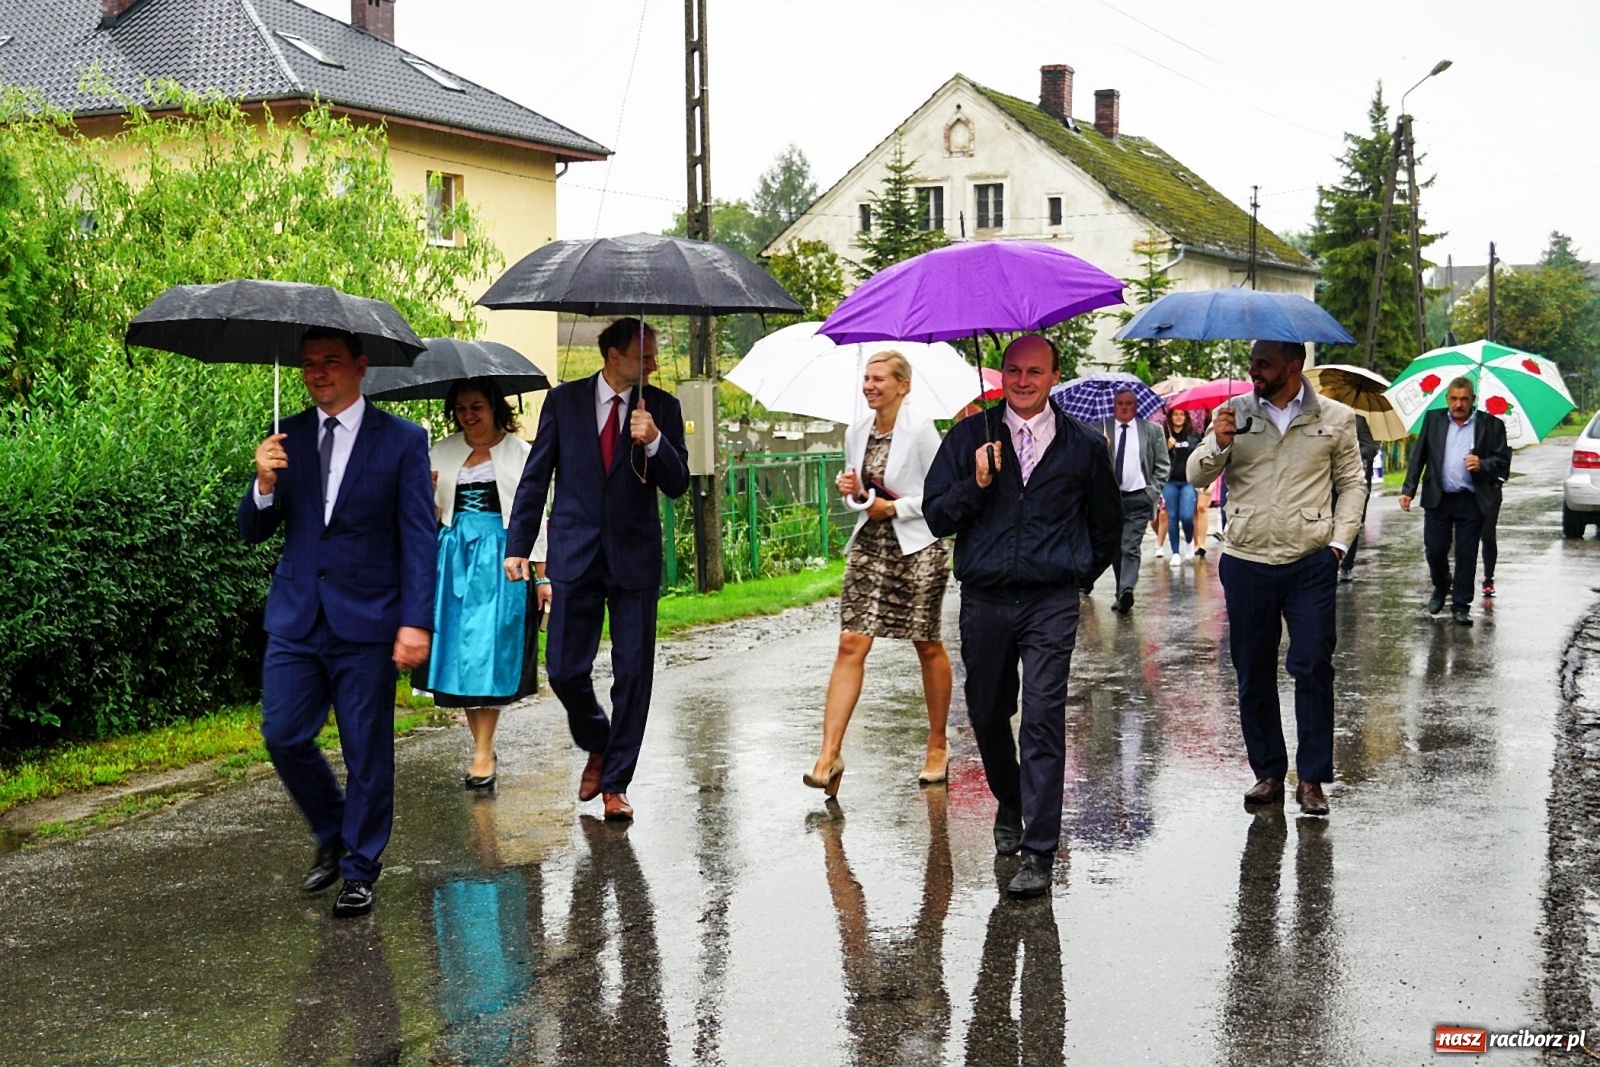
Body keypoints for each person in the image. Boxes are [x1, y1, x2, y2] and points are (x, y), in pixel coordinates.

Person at [240, 326, 436, 918]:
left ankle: (359, 869)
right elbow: (252, 531)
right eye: (307, 365)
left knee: (366, 750)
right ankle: (332, 829)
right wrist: (263, 483)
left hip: (369, 620)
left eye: (329, 362)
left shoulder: (402, 440)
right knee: (282, 734)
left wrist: (415, 621)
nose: (317, 373)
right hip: (297, 618)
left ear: (360, 366)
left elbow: (418, 538)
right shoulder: (286, 437)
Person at [923, 335, 1121, 897]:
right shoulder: (969, 437)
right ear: (1001, 374)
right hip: (985, 598)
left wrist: (1078, 573)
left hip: (1049, 600)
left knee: (1041, 716)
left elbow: (1106, 524)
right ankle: (1009, 797)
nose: (1023, 380)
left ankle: (1040, 847)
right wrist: (977, 482)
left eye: (1035, 371)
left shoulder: (1084, 445)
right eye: (1013, 370)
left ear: (1054, 375)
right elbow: (937, 515)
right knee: (986, 713)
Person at [503, 318, 690, 822]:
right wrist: (518, 545)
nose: (652, 363)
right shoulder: (563, 403)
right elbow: (535, 476)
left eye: (653, 354)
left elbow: (678, 484)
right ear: (613, 354)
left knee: (633, 673)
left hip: (635, 558)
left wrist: (654, 441)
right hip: (574, 553)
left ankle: (616, 783)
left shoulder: (664, 408)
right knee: (563, 669)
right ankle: (598, 740)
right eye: (643, 354)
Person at [1188, 340, 1365, 817]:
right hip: (1246, 559)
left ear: (1293, 365)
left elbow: (1352, 484)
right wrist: (1218, 443)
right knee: (1252, 671)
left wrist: (1338, 544)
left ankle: (1311, 779)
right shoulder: (1233, 412)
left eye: (1263, 364)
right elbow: (1195, 477)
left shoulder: (1334, 418)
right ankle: (1268, 773)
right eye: (1250, 362)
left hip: (1310, 561)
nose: (1254, 371)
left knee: (1312, 665)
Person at [803, 352, 954, 796]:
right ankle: (829, 754)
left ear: (902, 386)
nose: (869, 386)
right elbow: (863, 495)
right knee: (851, 641)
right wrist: (853, 493)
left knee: (926, 643)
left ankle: (937, 742)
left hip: (919, 544)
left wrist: (896, 507)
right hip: (871, 543)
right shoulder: (857, 431)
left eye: (879, 379)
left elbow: (941, 492)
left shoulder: (922, 430)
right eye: (866, 378)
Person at [415, 377, 550, 790]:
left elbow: (538, 515)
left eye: (476, 407)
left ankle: (482, 751)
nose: (468, 416)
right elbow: (431, 514)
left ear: (495, 408)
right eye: (460, 408)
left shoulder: (521, 453)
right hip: (452, 557)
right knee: (461, 655)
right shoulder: (442, 451)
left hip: (501, 557)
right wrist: (427, 489)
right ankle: (483, 749)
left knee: (487, 651)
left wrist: (543, 576)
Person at [1397, 377, 1511, 626]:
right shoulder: (1434, 420)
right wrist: (1409, 489)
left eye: (1464, 399)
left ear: (1473, 400)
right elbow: (1420, 456)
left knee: (1466, 554)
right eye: (1454, 399)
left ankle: (1461, 605)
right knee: (1435, 550)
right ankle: (1440, 584)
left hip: (1471, 499)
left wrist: (1482, 464)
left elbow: (1502, 461)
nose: (1458, 404)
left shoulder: (1490, 425)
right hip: (1439, 497)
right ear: (1447, 399)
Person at [1095, 389, 1169, 613]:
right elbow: (1088, 463)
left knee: (1130, 545)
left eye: (1129, 404)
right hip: (1110, 498)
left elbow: (1163, 465)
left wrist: (1151, 492)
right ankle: (1121, 592)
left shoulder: (1152, 430)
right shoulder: (1100, 429)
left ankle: (1127, 590)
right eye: (1120, 403)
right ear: (1113, 405)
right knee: (1117, 547)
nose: (1125, 408)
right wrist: (1100, 446)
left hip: (1139, 496)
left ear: (1136, 406)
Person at [1336, 413, 1379, 583]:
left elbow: (1370, 448)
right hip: (1325, 484)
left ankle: (1346, 565)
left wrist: (1348, 453)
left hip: (1351, 482)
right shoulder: (1316, 420)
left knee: (1350, 522)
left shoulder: (1357, 421)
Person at [1158, 406, 1201, 567]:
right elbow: (1156, 457)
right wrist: (1167, 448)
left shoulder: (1194, 436)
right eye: (1175, 414)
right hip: (1170, 482)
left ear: (1186, 417)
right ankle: (1175, 552)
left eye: (1181, 414)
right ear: (1170, 417)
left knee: (1187, 516)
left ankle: (1189, 541)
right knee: (1172, 517)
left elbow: (1200, 456)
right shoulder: (1164, 436)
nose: (1178, 417)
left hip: (1188, 482)